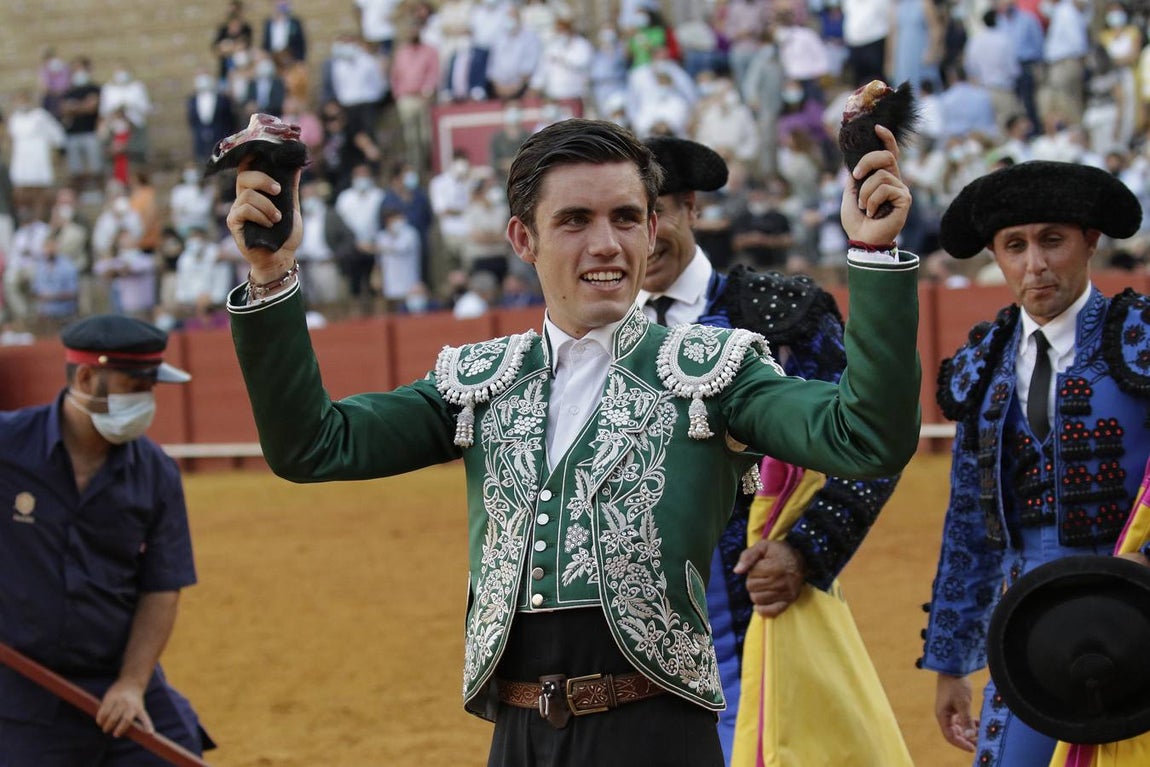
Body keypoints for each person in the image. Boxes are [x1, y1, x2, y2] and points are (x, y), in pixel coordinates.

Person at [222, 117, 921, 766]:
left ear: (654, 230)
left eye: (624, 218)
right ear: (523, 239)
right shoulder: (483, 382)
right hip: (519, 735)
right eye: (574, 221)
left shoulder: (714, 373)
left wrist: (874, 252)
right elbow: (313, 444)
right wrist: (271, 275)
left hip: (658, 735)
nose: (606, 244)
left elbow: (864, 437)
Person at [634, 135, 902, 763]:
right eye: (620, 219)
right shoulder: (593, 335)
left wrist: (805, 550)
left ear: (691, 207)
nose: (639, 239)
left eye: (653, 214)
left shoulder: (783, 315)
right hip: (636, 630)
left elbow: (866, 441)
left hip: (765, 607)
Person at [921, 160, 1148, 767]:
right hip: (1029, 630)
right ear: (995, 255)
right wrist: (950, 661)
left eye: (1053, 240)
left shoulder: (1141, 341)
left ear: (1090, 241)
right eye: (1014, 246)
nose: (1035, 264)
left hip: (1140, 610)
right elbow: (970, 523)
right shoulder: (983, 363)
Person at [0, 314, 212, 764]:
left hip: (119, 677)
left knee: (177, 753)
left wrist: (133, 684)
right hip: (21, 686)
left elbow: (162, 587)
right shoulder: (6, 447)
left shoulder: (156, 472)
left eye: (152, 387)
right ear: (86, 377)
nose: (147, 399)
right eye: (135, 385)